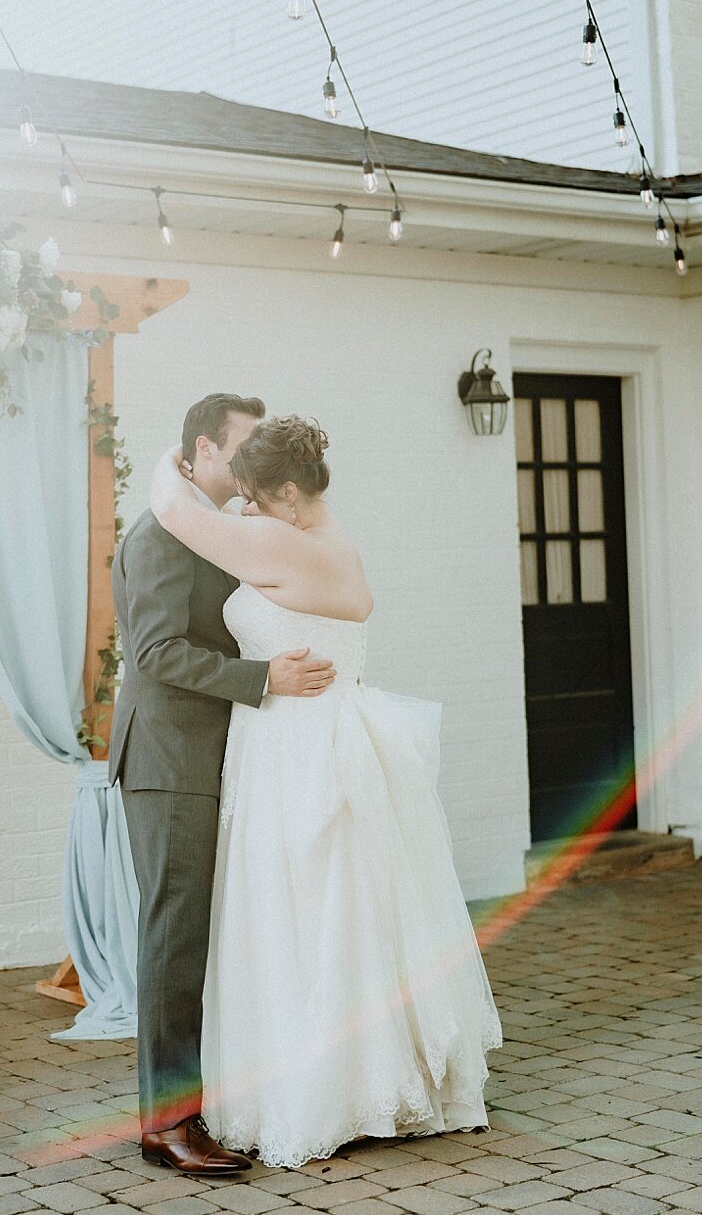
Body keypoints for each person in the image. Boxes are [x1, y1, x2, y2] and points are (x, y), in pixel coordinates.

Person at [149, 414, 503, 1169]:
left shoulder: (282, 543)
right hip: (327, 734)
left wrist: (172, 456)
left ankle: (323, 1088)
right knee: (348, 911)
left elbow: (175, 512)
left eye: (252, 496)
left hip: (294, 744)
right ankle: (367, 1077)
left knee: (300, 912)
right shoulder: (336, 540)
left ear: (286, 493)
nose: (241, 510)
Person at [109, 394, 337, 1175]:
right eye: (238, 454)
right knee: (173, 942)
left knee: (196, 940)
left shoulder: (205, 529)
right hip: (168, 760)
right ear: (203, 451)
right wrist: (263, 677)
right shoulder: (160, 537)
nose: (246, 473)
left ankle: (194, 1109)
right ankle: (166, 1126)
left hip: (205, 759)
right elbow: (158, 652)